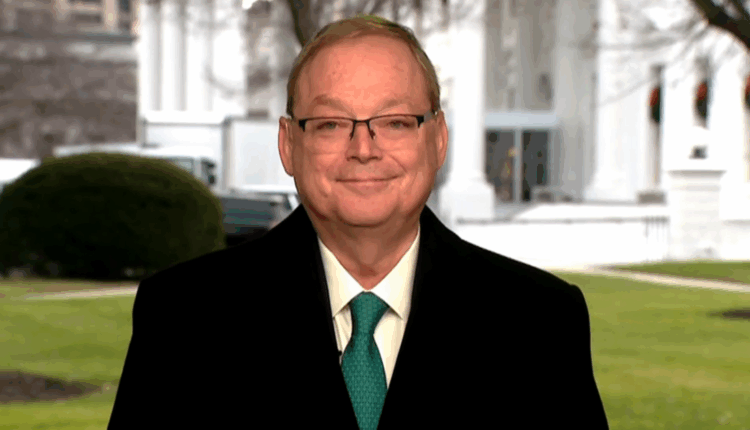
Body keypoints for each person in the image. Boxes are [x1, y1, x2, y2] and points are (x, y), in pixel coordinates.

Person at [107, 14, 609, 430]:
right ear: (288, 144)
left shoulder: (541, 323)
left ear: (438, 140)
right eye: (331, 124)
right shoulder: (182, 318)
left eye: (395, 122)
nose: (364, 149)